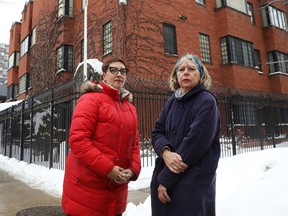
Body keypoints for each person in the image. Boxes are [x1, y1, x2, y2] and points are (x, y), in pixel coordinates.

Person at [62, 58, 141, 216]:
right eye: (113, 70)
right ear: (104, 74)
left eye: (123, 71)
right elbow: (78, 141)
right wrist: (108, 169)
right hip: (86, 193)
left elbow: (134, 145)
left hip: (116, 194)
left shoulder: (130, 108)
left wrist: (133, 170)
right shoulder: (90, 99)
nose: (119, 74)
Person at [150, 54, 221, 216]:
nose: (186, 73)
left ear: (201, 75)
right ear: (176, 75)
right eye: (181, 69)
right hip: (165, 174)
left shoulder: (207, 101)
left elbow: (194, 144)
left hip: (193, 181)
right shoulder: (171, 102)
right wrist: (165, 152)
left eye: (191, 69)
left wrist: (166, 179)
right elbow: (157, 132)